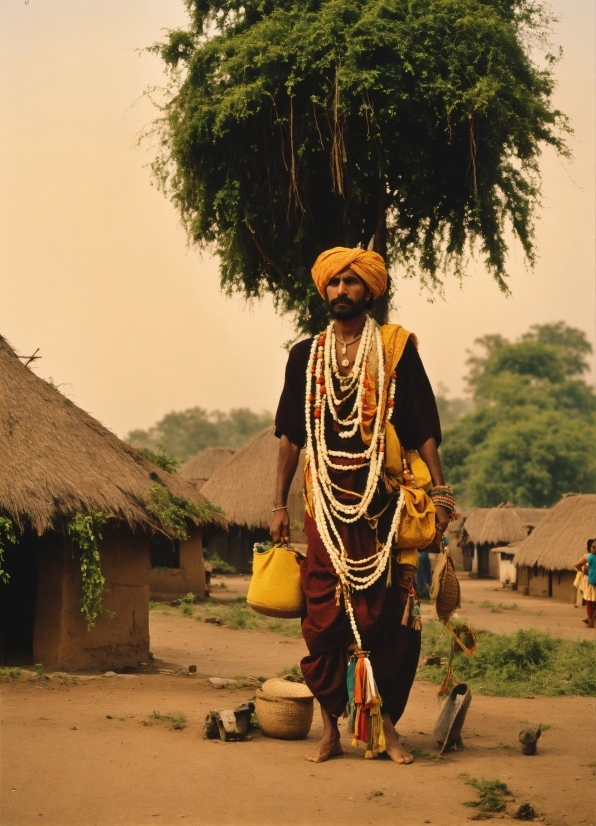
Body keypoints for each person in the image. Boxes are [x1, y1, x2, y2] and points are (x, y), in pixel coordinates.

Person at [270, 247, 457, 764]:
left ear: (369, 291)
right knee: (323, 619)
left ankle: (387, 729)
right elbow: (290, 436)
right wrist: (278, 504)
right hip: (324, 505)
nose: (340, 290)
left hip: (382, 503)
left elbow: (422, 428)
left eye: (352, 282)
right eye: (333, 283)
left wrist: (440, 493)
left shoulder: (395, 351)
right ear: (324, 290)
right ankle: (330, 730)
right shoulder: (305, 356)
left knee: (387, 619)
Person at [574, 538, 596, 627]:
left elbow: (577, 565)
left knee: (590, 601)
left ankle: (590, 618)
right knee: (592, 600)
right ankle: (590, 617)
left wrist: (583, 571)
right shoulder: (590, 557)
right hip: (591, 582)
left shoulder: (589, 557)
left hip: (591, 582)